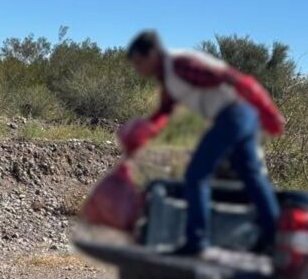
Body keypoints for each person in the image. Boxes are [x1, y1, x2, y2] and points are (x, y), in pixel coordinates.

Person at [121, 30, 285, 255]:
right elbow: (164, 111)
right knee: (252, 177)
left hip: (234, 115)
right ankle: (274, 239)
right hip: (241, 116)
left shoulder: (180, 64)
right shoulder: (168, 76)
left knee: (197, 175)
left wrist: (270, 113)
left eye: (139, 62)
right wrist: (140, 132)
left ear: (152, 54)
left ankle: (197, 242)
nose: (138, 68)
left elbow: (234, 78)